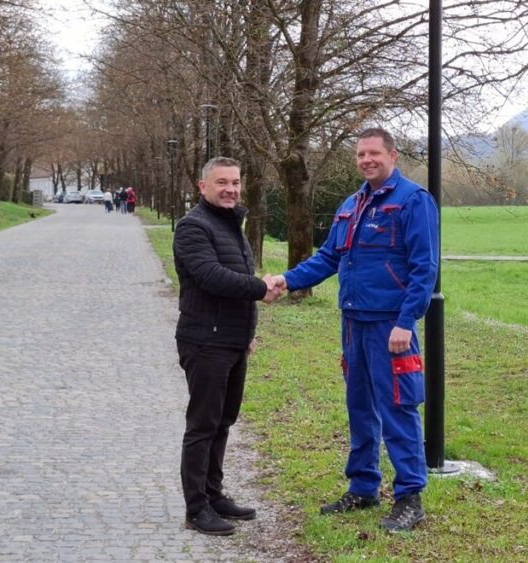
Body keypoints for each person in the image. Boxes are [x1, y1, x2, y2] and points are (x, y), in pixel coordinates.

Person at [267, 128, 438, 533]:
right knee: (359, 408)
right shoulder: (352, 204)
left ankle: (410, 498)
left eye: (374, 153)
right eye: (361, 154)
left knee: (398, 407)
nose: (366, 160)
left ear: (392, 156)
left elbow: (425, 268)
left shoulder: (413, 201)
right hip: (353, 323)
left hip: (390, 326)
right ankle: (363, 487)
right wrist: (287, 280)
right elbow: (328, 257)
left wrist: (406, 322)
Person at [173, 156, 281, 536]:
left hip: (232, 341)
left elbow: (235, 279)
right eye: (222, 183)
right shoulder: (193, 227)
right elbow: (212, 277)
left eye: (235, 182)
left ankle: (214, 495)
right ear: (203, 186)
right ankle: (196, 508)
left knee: (223, 421)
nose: (230, 189)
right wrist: (261, 288)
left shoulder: (231, 224)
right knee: (203, 425)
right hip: (205, 341)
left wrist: (246, 333)